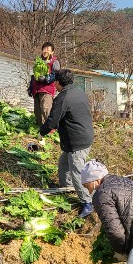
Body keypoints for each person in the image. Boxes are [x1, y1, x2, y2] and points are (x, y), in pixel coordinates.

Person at [39, 68, 94, 218]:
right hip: (84, 136)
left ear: (57, 82)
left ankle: (87, 203)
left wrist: (41, 133)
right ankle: (67, 187)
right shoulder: (79, 93)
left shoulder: (63, 98)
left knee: (77, 173)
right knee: (64, 164)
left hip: (77, 141)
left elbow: (52, 122)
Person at [28, 41, 60, 127]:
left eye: (48, 49)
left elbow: (56, 75)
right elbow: (34, 75)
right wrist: (30, 87)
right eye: (44, 49)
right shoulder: (38, 61)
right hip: (37, 89)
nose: (45, 51)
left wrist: (46, 79)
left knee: (45, 108)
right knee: (37, 111)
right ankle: (42, 128)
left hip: (47, 89)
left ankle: (52, 128)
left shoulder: (54, 62)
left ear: (52, 52)